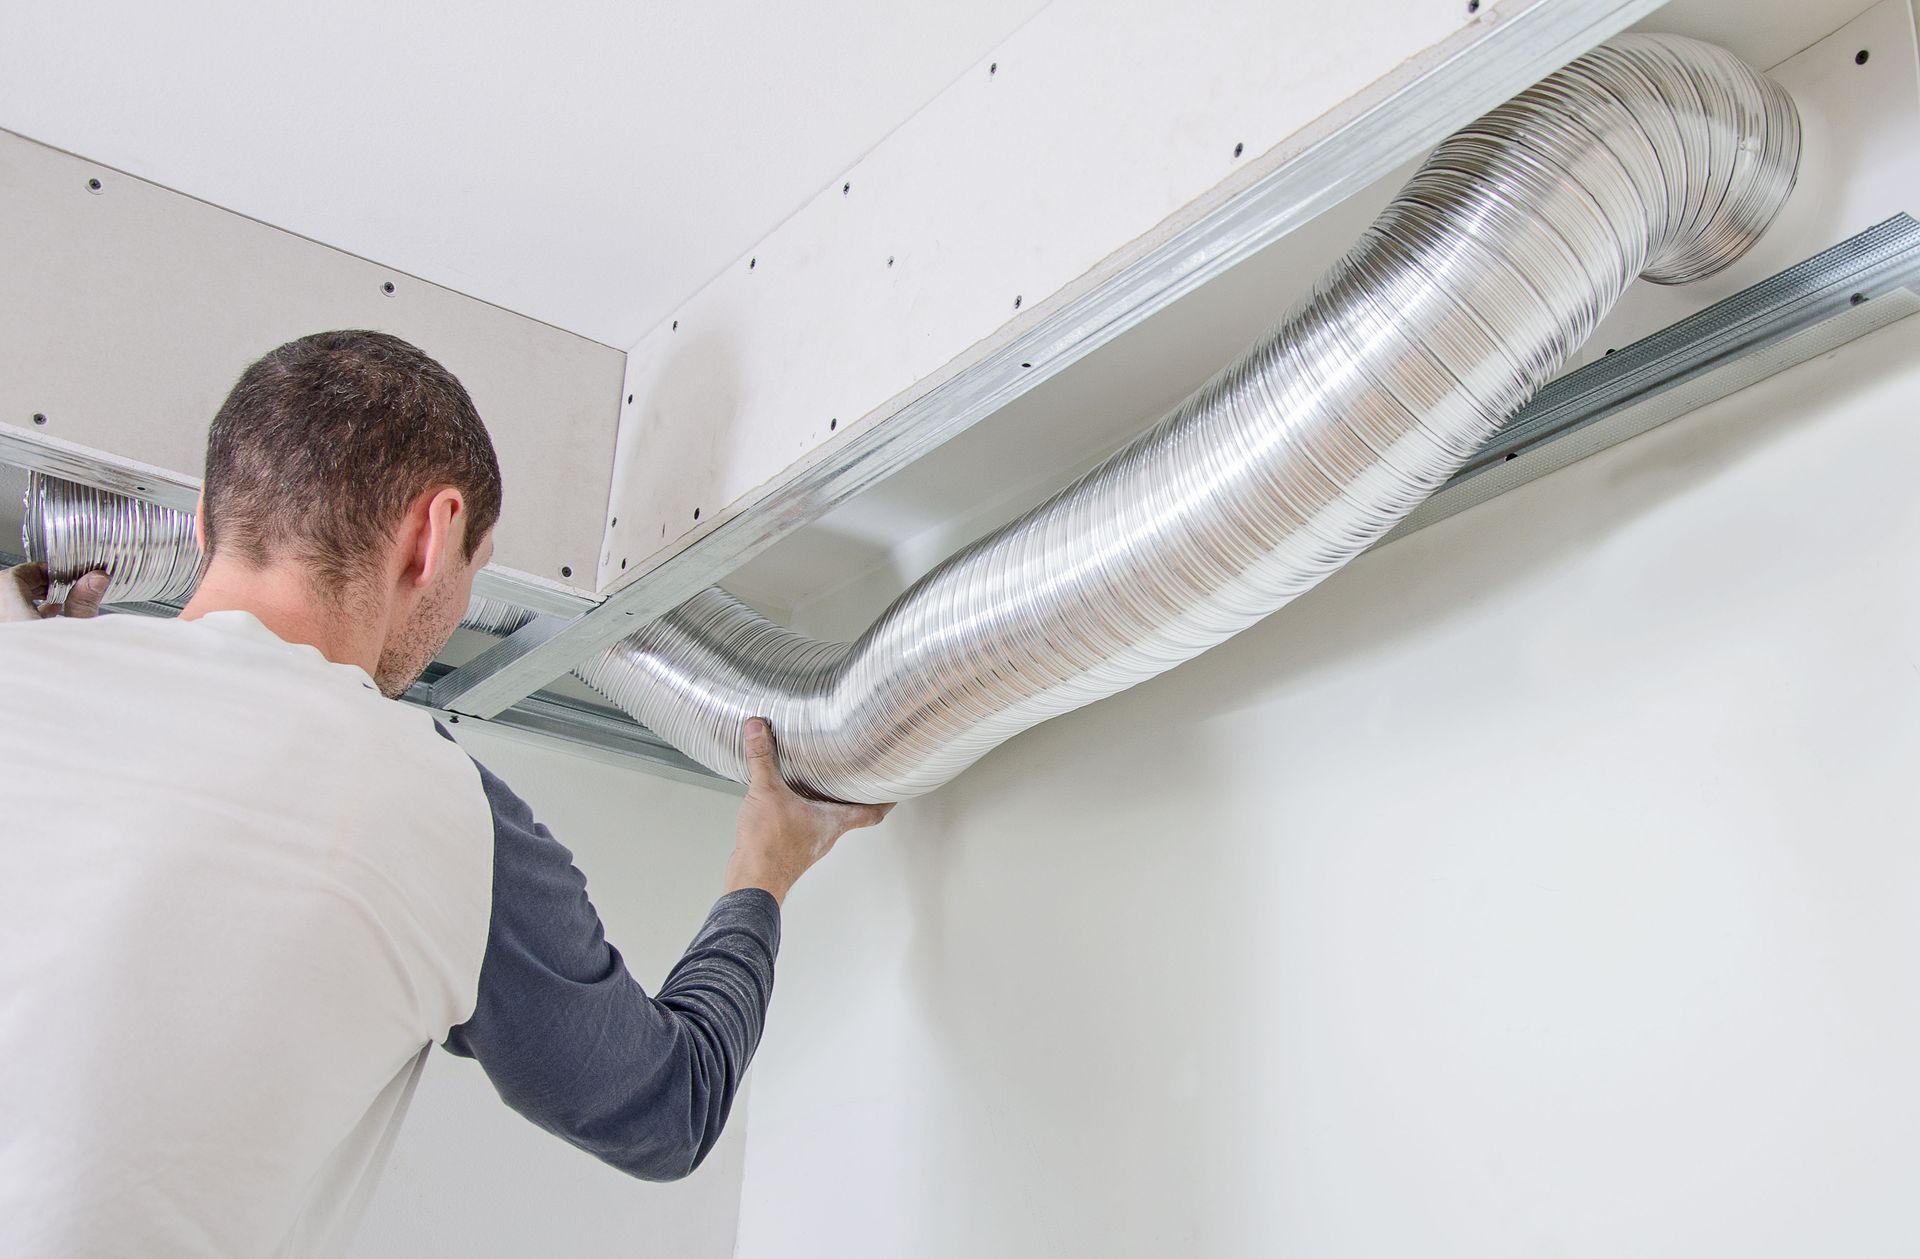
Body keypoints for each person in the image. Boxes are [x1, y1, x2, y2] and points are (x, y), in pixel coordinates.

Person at [0, 330, 891, 1258]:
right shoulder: (439, 808)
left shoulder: (17, 657)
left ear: (202, 523)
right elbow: (668, 1106)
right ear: (434, 532)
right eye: (477, 563)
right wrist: (764, 872)